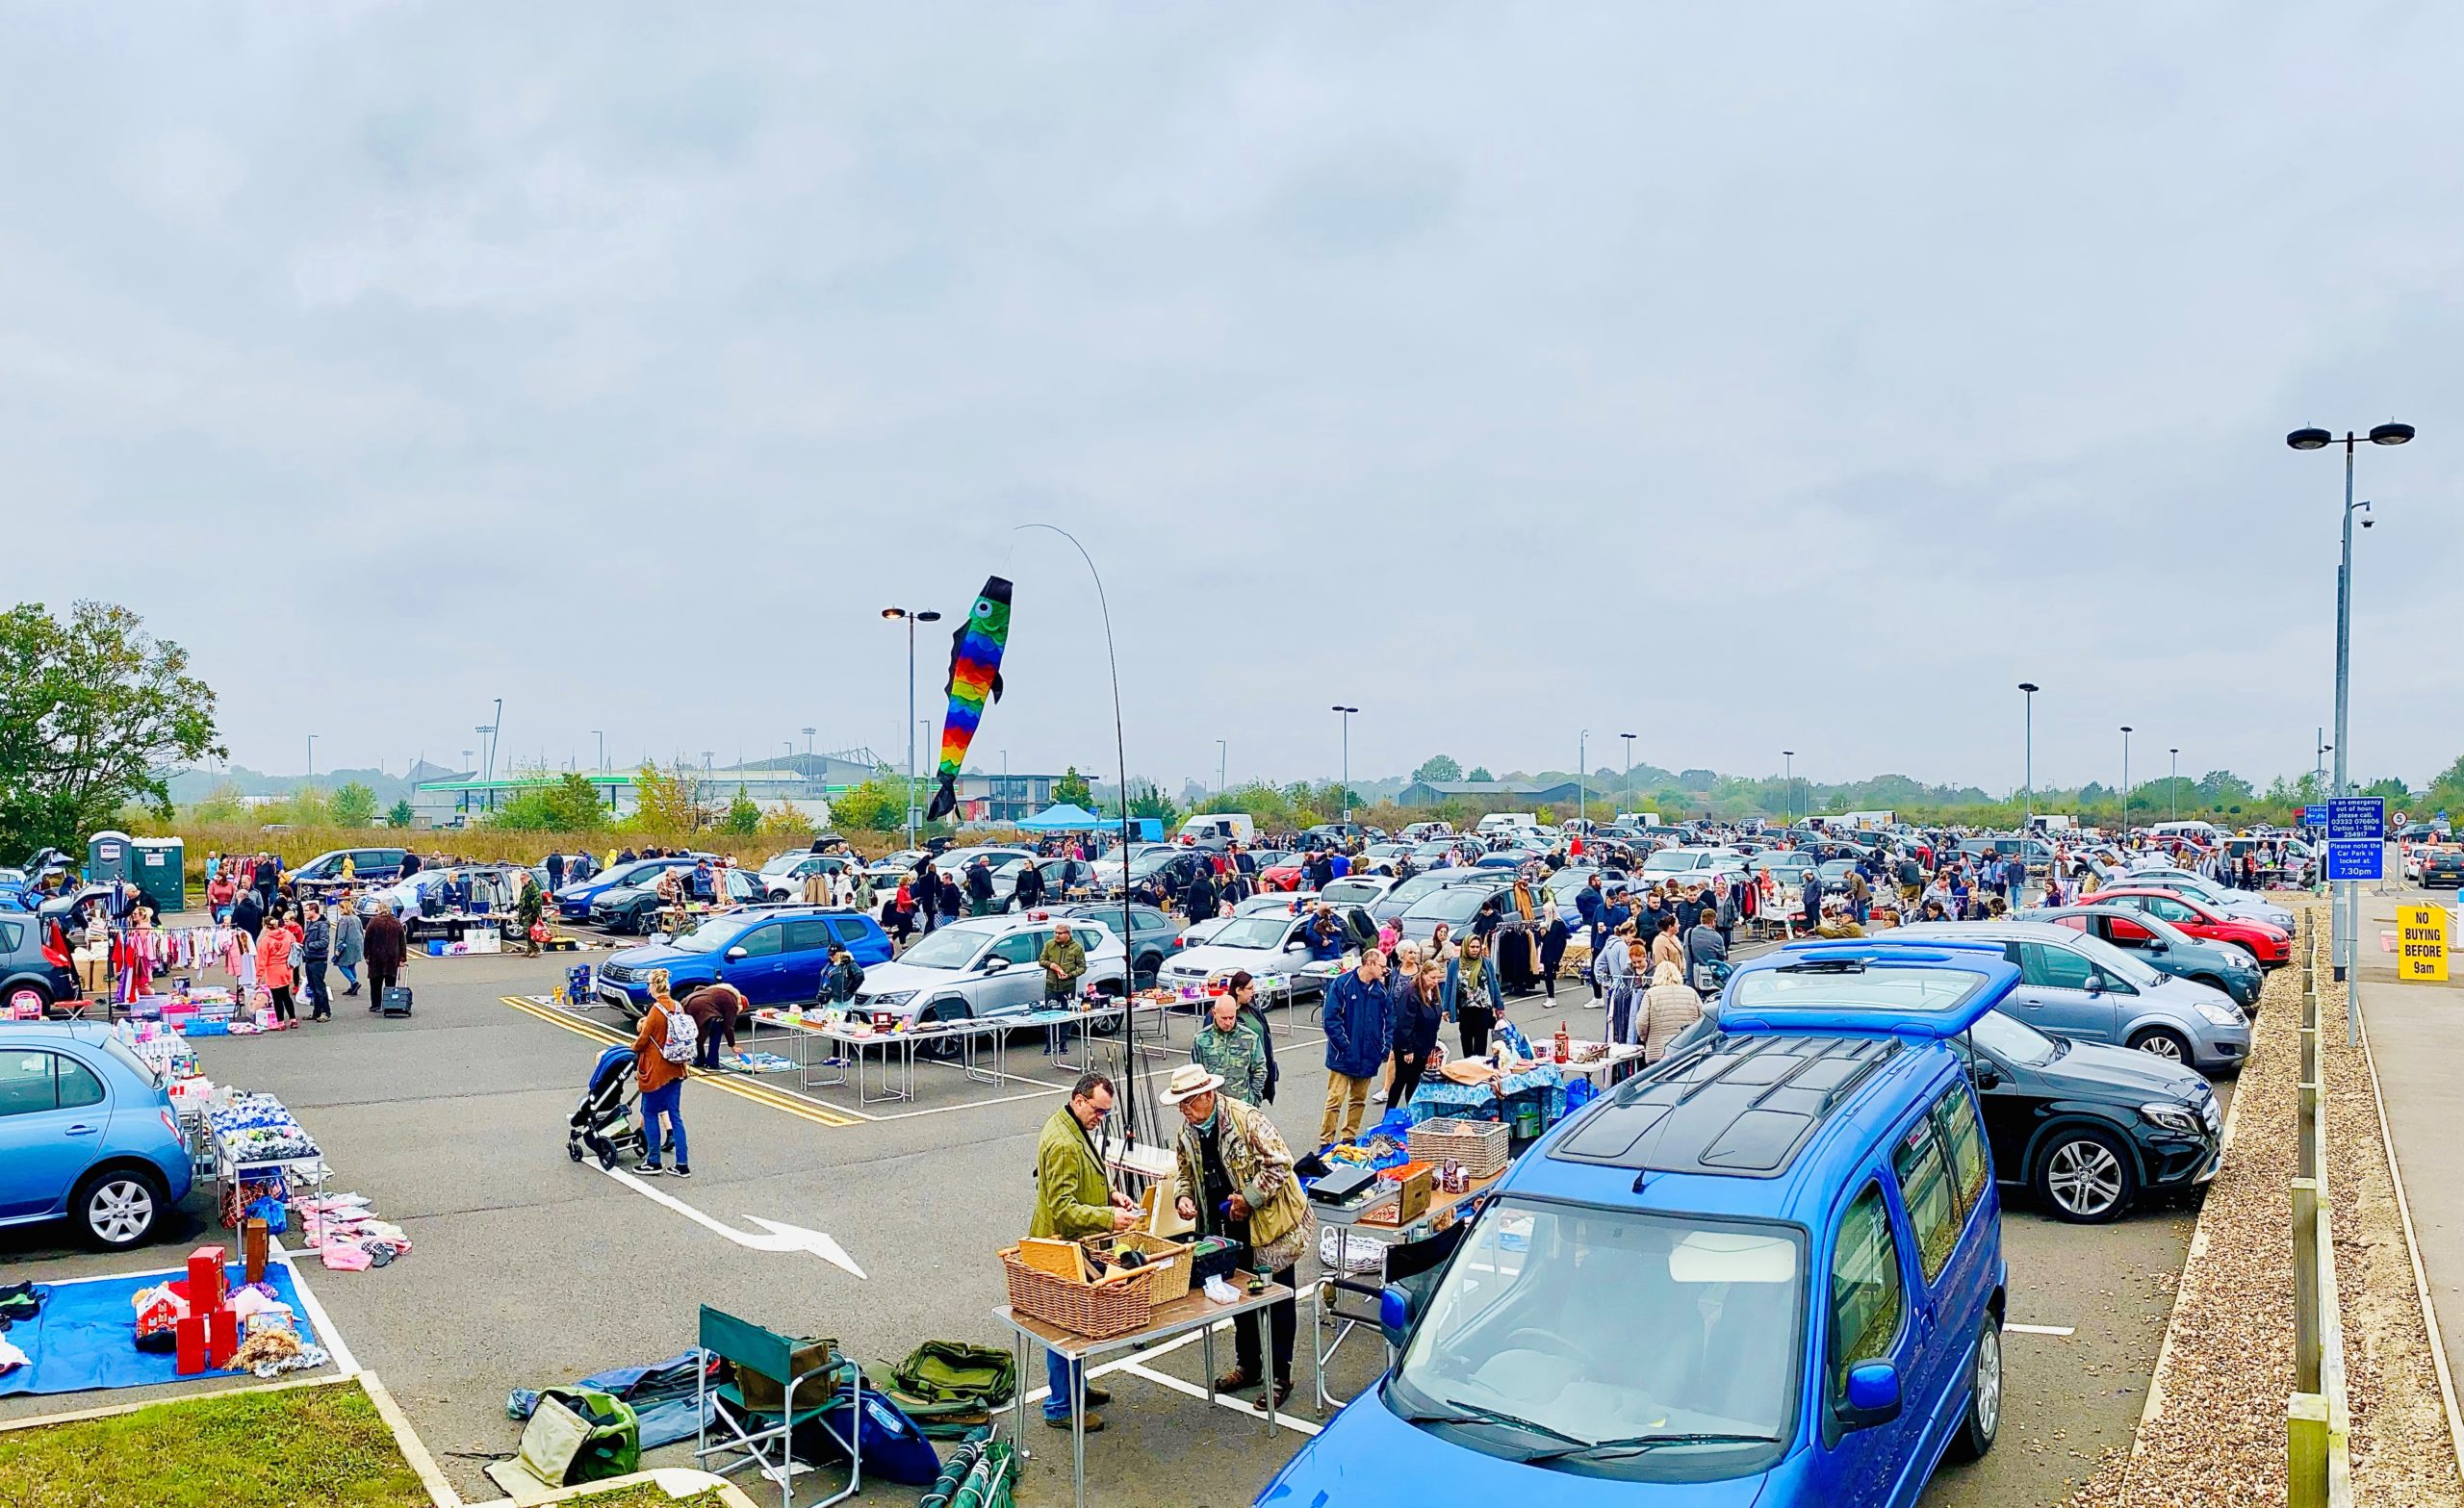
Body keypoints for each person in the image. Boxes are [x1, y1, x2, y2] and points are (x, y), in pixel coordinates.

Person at [1164, 1064, 1312, 1412]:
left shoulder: (1248, 1119)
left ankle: (1280, 1375)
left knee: (1277, 1300)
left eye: (1188, 1103)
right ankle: (1249, 1366)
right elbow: (1183, 1172)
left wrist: (1249, 1198)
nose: (1184, 1111)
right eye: (1180, 1105)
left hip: (1271, 1227)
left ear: (1206, 1095)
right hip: (1226, 1230)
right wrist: (1182, 1198)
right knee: (1238, 1299)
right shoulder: (1188, 1131)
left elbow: (1280, 1164)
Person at [1031, 1073, 1140, 1431]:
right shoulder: (1063, 1142)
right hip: (1061, 1246)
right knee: (1065, 1327)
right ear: (1078, 1100)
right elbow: (1063, 1207)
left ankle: (1076, 1387)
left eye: (1106, 1113)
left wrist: (1110, 1194)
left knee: (1076, 1324)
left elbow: (1085, 1172)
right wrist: (1110, 1217)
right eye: (1098, 1111)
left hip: (1073, 1243)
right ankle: (1061, 1406)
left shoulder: (1072, 1125)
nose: (1101, 1119)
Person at [1319, 947, 1389, 1145]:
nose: (1385, 970)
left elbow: (1389, 1021)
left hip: (1368, 1056)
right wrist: (1345, 1047)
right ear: (1370, 963)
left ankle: (1348, 1137)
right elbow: (1331, 1019)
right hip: (1343, 1056)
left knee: (1358, 1100)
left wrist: (1383, 1048)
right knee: (1335, 1100)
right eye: (1382, 966)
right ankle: (1326, 1141)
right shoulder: (1343, 984)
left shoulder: (1380, 990)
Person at [629, 970, 693, 1177]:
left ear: (654, 986)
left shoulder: (656, 1010)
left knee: (649, 1112)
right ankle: (682, 1165)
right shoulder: (678, 1006)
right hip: (677, 1066)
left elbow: (643, 1039)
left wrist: (633, 1046)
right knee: (675, 1115)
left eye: (649, 984)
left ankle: (653, 1160)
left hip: (657, 1069)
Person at [1192, 991, 1269, 1105]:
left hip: (1241, 1105)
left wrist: (1254, 1098)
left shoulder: (1250, 1038)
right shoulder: (1201, 1039)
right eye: (1224, 1018)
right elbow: (1195, 1074)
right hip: (1211, 1106)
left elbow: (1260, 1070)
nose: (1228, 1022)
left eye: (1231, 1017)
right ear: (1214, 1013)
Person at [1390, 962, 1445, 1108]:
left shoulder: (1433, 992)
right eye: (1432, 978)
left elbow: (1433, 1016)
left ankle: (1412, 1112)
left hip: (1424, 1045)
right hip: (1409, 1046)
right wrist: (1407, 1049)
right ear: (1423, 974)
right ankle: (1389, 1113)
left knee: (1414, 1081)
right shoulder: (1410, 993)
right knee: (1401, 1080)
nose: (1435, 981)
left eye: (1437, 978)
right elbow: (1404, 1022)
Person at [1446, 933, 1505, 1060]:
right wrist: (1445, 1008)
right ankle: (1468, 1065)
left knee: (1481, 1039)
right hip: (1465, 1008)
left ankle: (1479, 1066)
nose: (1475, 950)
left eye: (1477, 947)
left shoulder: (1486, 962)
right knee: (1466, 1038)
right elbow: (1449, 985)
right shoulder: (1455, 963)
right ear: (1466, 947)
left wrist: (1499, 1005)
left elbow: (1493, 983)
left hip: (1483, 1008)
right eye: (1472, 947)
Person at [1638, 961, 1704, 1064]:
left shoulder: (1651, 994)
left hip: (1659, 1050)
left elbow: (1641, 1022)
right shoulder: (1691, 992)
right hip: (1686, 1047)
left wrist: (1645, 1038)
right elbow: (1702, 1018)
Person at [1040, 922, 1089, 1054]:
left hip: (1067, 987)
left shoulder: (1076, 948)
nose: (1056, 935)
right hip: (1051, 986)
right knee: (1049, 1015)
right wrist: (1052, 966)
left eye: (1059, 933)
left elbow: (1083, 967)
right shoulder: (1049, 945)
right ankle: (1049, 1044)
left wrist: (1070, 975)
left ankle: (1063, 1044)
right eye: (1055, 932)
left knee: (1066, 1015)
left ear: (1067, 934)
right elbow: (1041, 961)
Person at [684, 981, 746, 1070]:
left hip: (687, 1003)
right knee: (717, 1030)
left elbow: (698, 988)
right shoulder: (732, 1002)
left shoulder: (716, 990)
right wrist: (733, 1046)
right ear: (740, 1004)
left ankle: (699, 1060)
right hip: (704, 1010)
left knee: (697, 1035)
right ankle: (712, 1062)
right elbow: (728, 1027)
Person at [258, 907, 298, 1024]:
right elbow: (294, 945)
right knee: (286, 996)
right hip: (286, 968)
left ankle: (280, 1021)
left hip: (273, 969)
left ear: (265, 926)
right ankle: (293, 1019)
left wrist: (258, 976)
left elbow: (262, 959)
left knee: (276, 998)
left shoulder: (266, 940)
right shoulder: (287, 934)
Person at [364, 904, 406, 1010]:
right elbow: (402, 941)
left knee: (375, 982)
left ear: (379, 910)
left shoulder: (374, 921)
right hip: (392, 956)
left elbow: (367, 939)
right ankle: (389, 1003)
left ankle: (376, 1005)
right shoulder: (396, 922)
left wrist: (366, 955)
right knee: (391, 981)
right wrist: (402, 957)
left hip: (376, 955)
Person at [1685, 908, 1728, 989]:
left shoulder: (1688, 933)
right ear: (1713, 921)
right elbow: (1722, 956)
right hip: (1710, 977)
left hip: (1691, 977)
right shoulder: (1716, 937)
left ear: (1701, 919)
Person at [515, 869, 545, 957]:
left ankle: (535, 949)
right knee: (528, 931)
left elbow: (537, 900)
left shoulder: (533, 886)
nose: (522, 881)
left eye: (522, 879)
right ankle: (529, 949)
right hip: (526, 912)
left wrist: (534, 912)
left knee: (527, 931)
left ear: (527, 877)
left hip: (531, 912)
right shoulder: (526, 887)